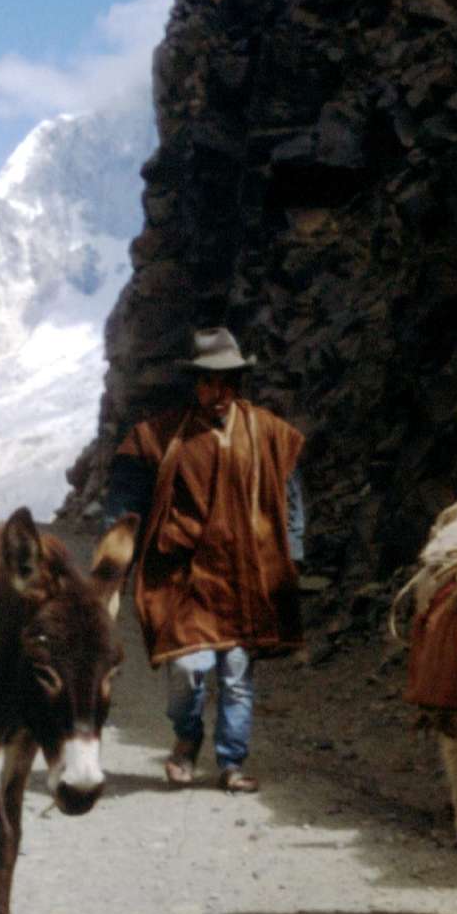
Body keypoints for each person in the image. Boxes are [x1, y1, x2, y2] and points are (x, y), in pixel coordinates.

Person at [104, 327, 305, 794]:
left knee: (236, 677)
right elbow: (127, 496)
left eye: (229, 382)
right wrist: (116, 550)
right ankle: (186, 735)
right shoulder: (162, 436)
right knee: (188, 670)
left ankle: (232, 763)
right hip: (185, 579)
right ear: (196, 384)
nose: (220, 392)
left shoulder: (264, 432)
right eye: (211, 382)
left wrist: (291, 552)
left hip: (242, 579)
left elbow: (291, 492)